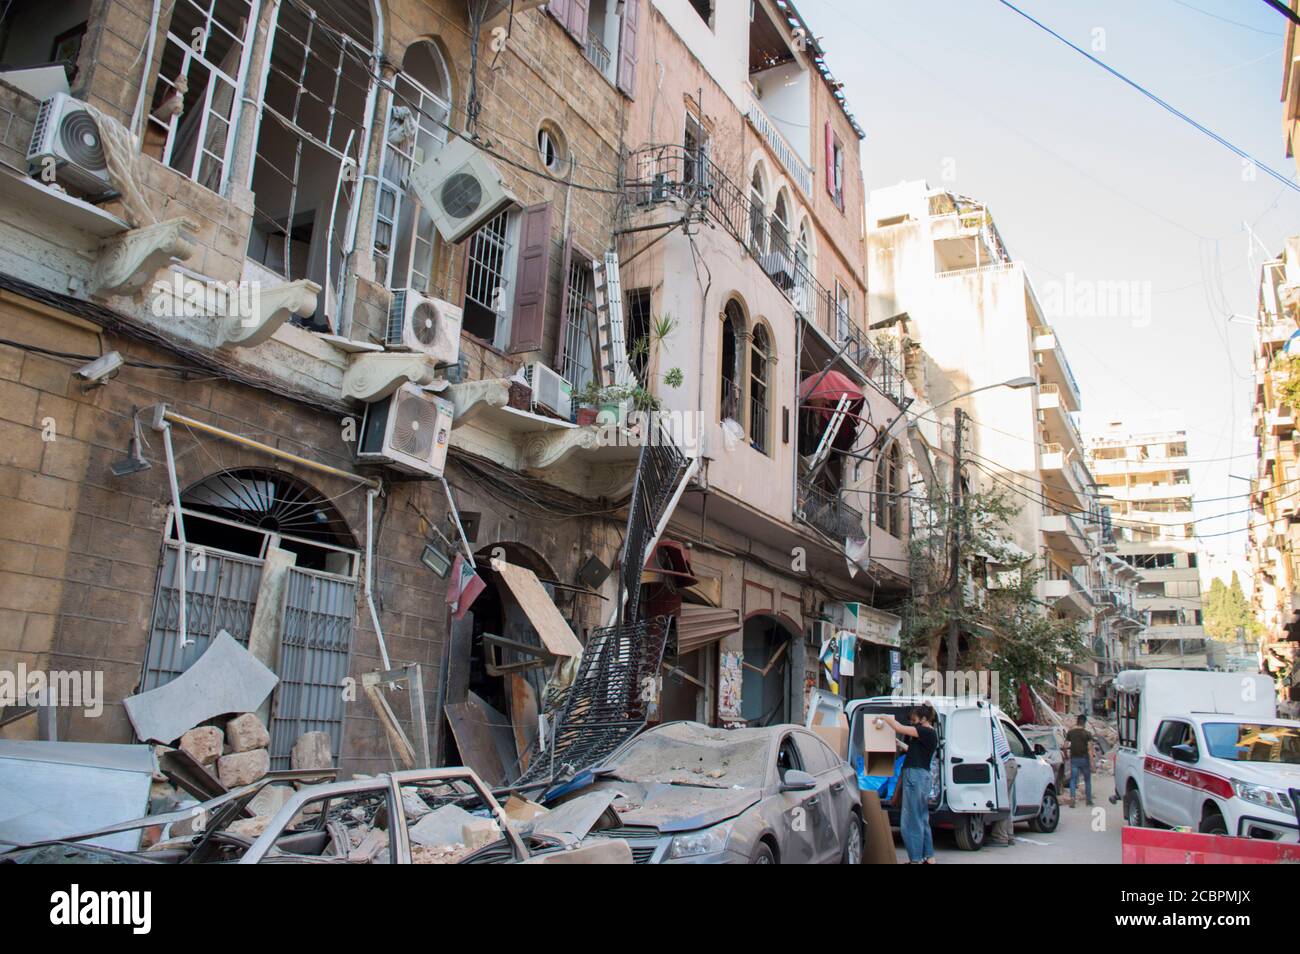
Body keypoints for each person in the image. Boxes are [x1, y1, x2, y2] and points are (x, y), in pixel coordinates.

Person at [878, 704, 939, 864]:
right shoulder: (929, 734)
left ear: (924, 719)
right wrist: (900, 744)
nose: (912, 723)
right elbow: (913, 750)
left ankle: (915, 859)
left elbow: (899, 727)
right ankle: (929, 857)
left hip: (915, 776)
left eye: (914, 720)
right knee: (921, 818)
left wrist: (885, 717)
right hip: (921, 776)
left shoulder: (924, 731)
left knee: (910, 820)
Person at [987, 718, 1017, 847]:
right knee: (1007, 802)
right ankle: (1009, 835)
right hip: (1011, 763)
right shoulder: (992, 728)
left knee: (1001, 803)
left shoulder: (985, 731)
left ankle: (1000, 837)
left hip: (1005, 766)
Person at [1065, 714, 1095, 807]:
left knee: (1073, 779)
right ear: (1084, 723)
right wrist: (1092, 764)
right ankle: (1088, 800)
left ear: (1077, 721)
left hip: (1074, 759)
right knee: (1087, 780)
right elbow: (1090, 750)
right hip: (1084, 759)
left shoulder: (1070, 733)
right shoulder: (1087, 734)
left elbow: (1065, 746)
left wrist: (1066, 756)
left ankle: (1072, 798)